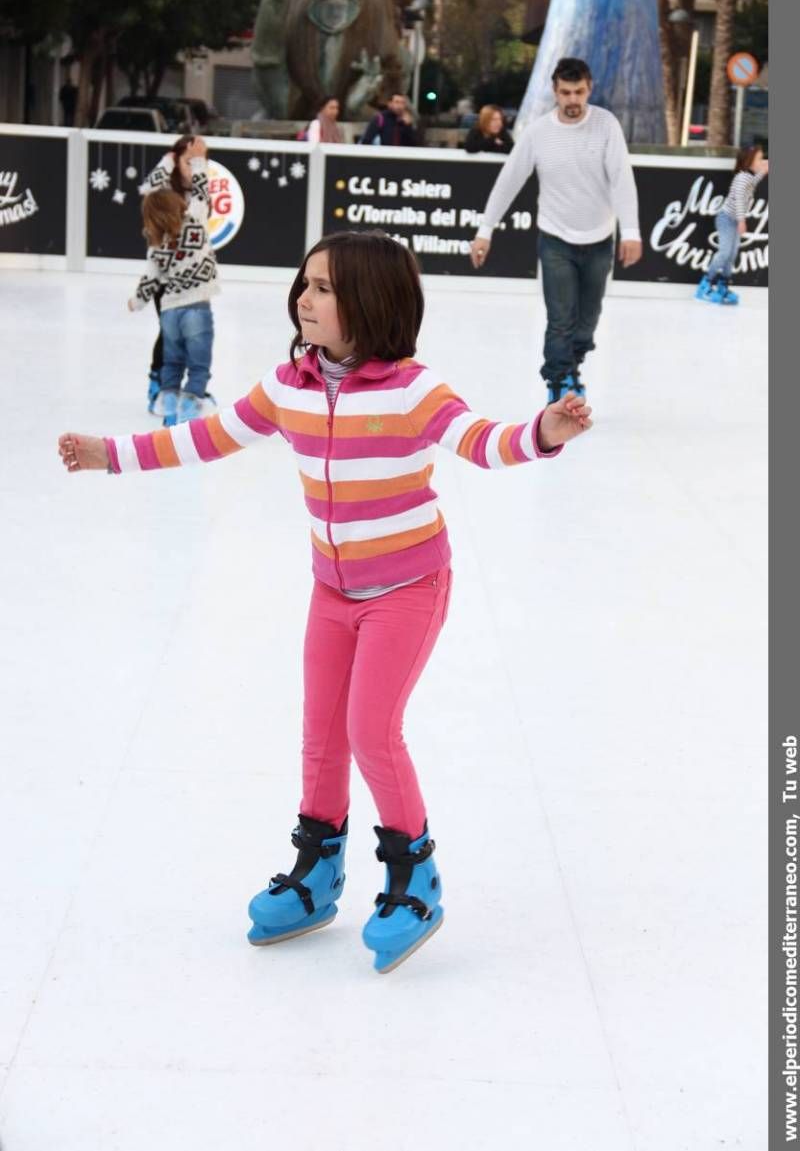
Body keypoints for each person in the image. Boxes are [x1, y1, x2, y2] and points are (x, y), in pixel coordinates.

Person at [57, 229, 592, 974]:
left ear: (370, 302)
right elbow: (207, 437)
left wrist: (544, 431)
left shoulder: (413, 389)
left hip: (407, 586)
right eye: (304, 283)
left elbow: (479, 440)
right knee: (319, 731)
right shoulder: (289, 386)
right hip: (333, 588)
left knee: (372, 729)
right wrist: (107, 454)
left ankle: (415, 878)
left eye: (324, 288)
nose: (304, 298)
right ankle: (318, 871)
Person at [469, 57, 642, 404]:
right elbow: (510, 180)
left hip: (598, 239)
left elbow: (623, 178)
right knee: (561, 317)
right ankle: (558, 380)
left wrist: (632, 231)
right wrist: (485, 229)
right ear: (555, 91)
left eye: (579, 92)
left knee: (587, 320)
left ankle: (572, 365)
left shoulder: (606, 125)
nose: (573, 100)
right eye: (566, 92)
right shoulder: (538, 132)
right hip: (555, 239)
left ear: (589, 88)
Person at [129, 142, 219, 426]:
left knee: (173, 360)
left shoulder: (156, 242)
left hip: (170, 307)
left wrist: (136, 301)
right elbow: (203, 193)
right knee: (198, 363)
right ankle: (190, 407)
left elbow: (150, 277)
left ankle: (168, 403)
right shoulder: (195, 220)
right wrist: (199, 163)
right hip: (196, 305)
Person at [695, 144, 768, 306]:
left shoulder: (747, 177)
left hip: (733, 220)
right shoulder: (742, 178)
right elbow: (740, 200)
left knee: (731, 254)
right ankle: (705, 284)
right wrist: (742, 221)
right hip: (727, 219)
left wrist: (762, 171)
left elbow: (752, 183)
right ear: (749, 161)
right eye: (759, 159)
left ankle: (722, 285)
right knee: (724, 252)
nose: (762, 161)